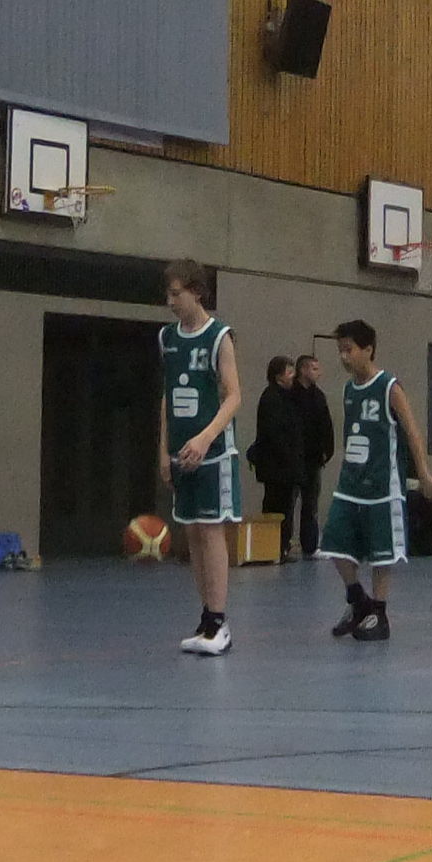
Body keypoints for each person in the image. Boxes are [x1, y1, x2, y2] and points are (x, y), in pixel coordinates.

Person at [320, 320, 432, 643]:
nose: (343, 357)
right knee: (334, 543)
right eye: (340, 350)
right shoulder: (348, 390)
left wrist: (424, 473)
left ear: (368, 349)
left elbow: (412, 431)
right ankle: (358, 600)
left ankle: (380, 614)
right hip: (350, 484)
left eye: (349, 350)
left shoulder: (389, 387)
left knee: (381, 554)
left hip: (383, 485)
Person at [159, 261, 246, 656]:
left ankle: (219, 621)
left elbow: (234, 396)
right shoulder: (167, 338)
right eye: (168, 294)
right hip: (181, 453)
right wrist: (164, 451)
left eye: (176, 293)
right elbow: (166, 397)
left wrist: (206, 438)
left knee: (211, 531)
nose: (170, 301)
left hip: (212, 453)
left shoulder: (219, 336)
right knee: (192, 534)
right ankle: (206, 616)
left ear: (197, 291)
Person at [249, 353, 309, 554]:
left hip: (285, 467)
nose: (293, 376)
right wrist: (289, 459)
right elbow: (275, 434)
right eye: (289, 372)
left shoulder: (288, 397)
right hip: (277, 468)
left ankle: (282, 545)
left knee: (286, 508)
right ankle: (274, 547)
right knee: (276, 508)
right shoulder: (271, 398)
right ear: (278, 376)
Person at [292, 351, 337, 560]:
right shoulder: (290, 395)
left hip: (313, 459)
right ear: (303, 370)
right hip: (293, 458)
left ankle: (310, 546)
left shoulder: (318, 396)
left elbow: (326, 425)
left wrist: (328, 449)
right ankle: (284, 544)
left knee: (310, 504)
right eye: (314, 368)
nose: (318, 373)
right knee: (289, 502)